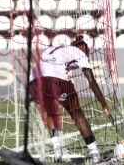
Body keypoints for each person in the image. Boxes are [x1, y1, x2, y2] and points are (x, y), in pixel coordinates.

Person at [29, 34, 111, 163]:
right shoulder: (79, 52)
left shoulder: (58, 47)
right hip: (56, 81)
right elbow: (91, 81)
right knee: (77, 115)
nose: (88, 53)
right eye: (88, 49)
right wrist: (104, 104)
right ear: (83, 46)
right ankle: (95, 154)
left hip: (34, 82)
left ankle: (57, 150)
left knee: (50, 112)